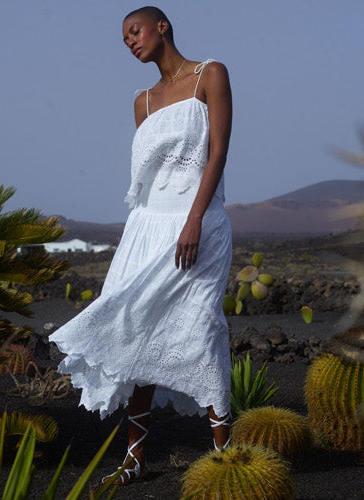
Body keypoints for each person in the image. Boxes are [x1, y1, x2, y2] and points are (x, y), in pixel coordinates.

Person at [46, 5, 234, 486]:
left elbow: (217, 153)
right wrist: (148, 230)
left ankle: (226, 460)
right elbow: (149, 180)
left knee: (201, 326)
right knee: (136, 331)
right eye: (124, 38)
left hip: (199, 225)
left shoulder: (209, 75)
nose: (129, 41)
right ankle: (136, 460)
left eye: (135, 31)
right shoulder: (143, 102)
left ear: (162, 27)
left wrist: (192, 220)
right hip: (147, 229)